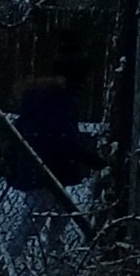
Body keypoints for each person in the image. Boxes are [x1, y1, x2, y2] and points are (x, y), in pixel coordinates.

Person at [7, 59, 97, 258]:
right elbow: (62, 136)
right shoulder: (61, 100)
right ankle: (9, 258)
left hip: (40, 163)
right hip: (46, 166)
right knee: (38, 216)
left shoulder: (42, 98)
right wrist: (86, 157)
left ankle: (52, 255)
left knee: (60, 211)